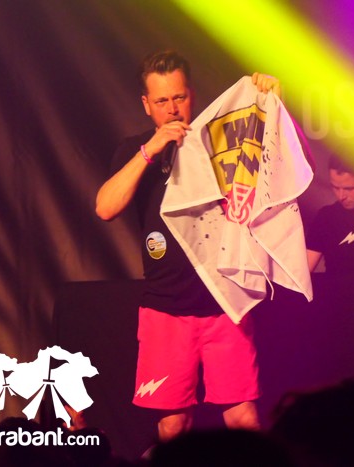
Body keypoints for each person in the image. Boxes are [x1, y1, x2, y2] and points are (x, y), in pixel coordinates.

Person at [95, 50, 280, 442]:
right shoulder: (136, 148)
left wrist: (274, 105)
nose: (172, 108)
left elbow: (280, 167)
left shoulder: (220, 142)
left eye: (178, 97)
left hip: (225, 303)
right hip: (166, 308)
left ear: (191, 95)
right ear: (146, 104)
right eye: (162, 100)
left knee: (244, 420)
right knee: (173, 424)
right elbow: (105, 208)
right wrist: (152, 149)